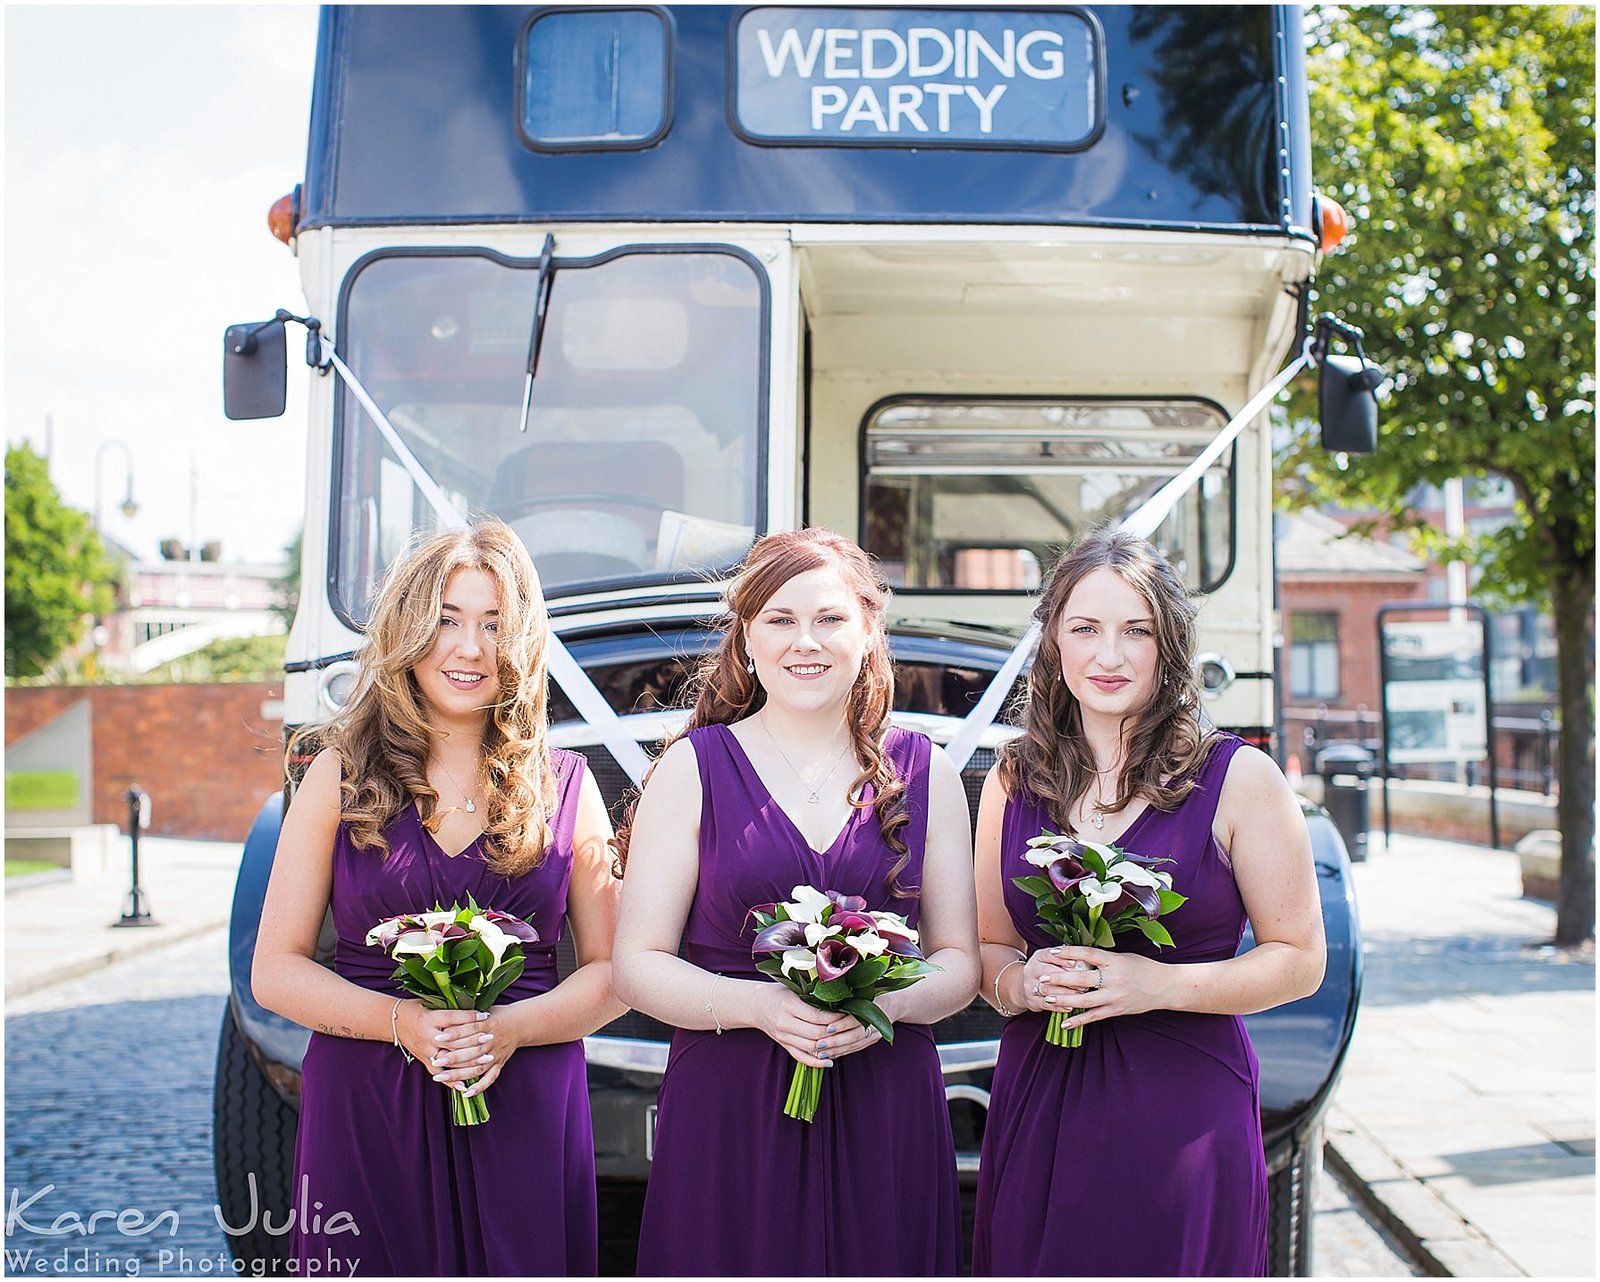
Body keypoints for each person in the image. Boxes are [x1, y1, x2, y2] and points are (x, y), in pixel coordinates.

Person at [252, 520, 623, 1276]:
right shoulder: (337, 776)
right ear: (408, 629)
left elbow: (615, 973)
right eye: (448, 620)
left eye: (494, 625)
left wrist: (511, 1029)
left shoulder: (566, 785)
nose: (470, 648)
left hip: (524, 1093)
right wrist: (404, 1022)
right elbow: (275, 970)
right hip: (367, 1101)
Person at [612, 528, 980, 1276]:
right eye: (780, 619)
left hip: (884, 1096)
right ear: (747, 635)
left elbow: (960, 965)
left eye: (830, 618)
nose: (804, 642)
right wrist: (762, 1008)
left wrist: (883, 1006)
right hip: (730, 1106)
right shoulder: (694, 768)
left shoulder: (927, 772)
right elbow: (636, 966)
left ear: (869, 631)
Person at [970, 528, 1326, 1277]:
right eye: (1086, 629)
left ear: (1170, 646)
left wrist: (1155, 985)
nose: (1109, 656)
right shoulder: (1012, 781)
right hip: (1043, 1098)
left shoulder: (1240, 778)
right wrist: (1020, 983)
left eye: (1136, 631)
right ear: (1054, 644)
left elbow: (1300, 960)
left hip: (1184, 1109)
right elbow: (990, 950)